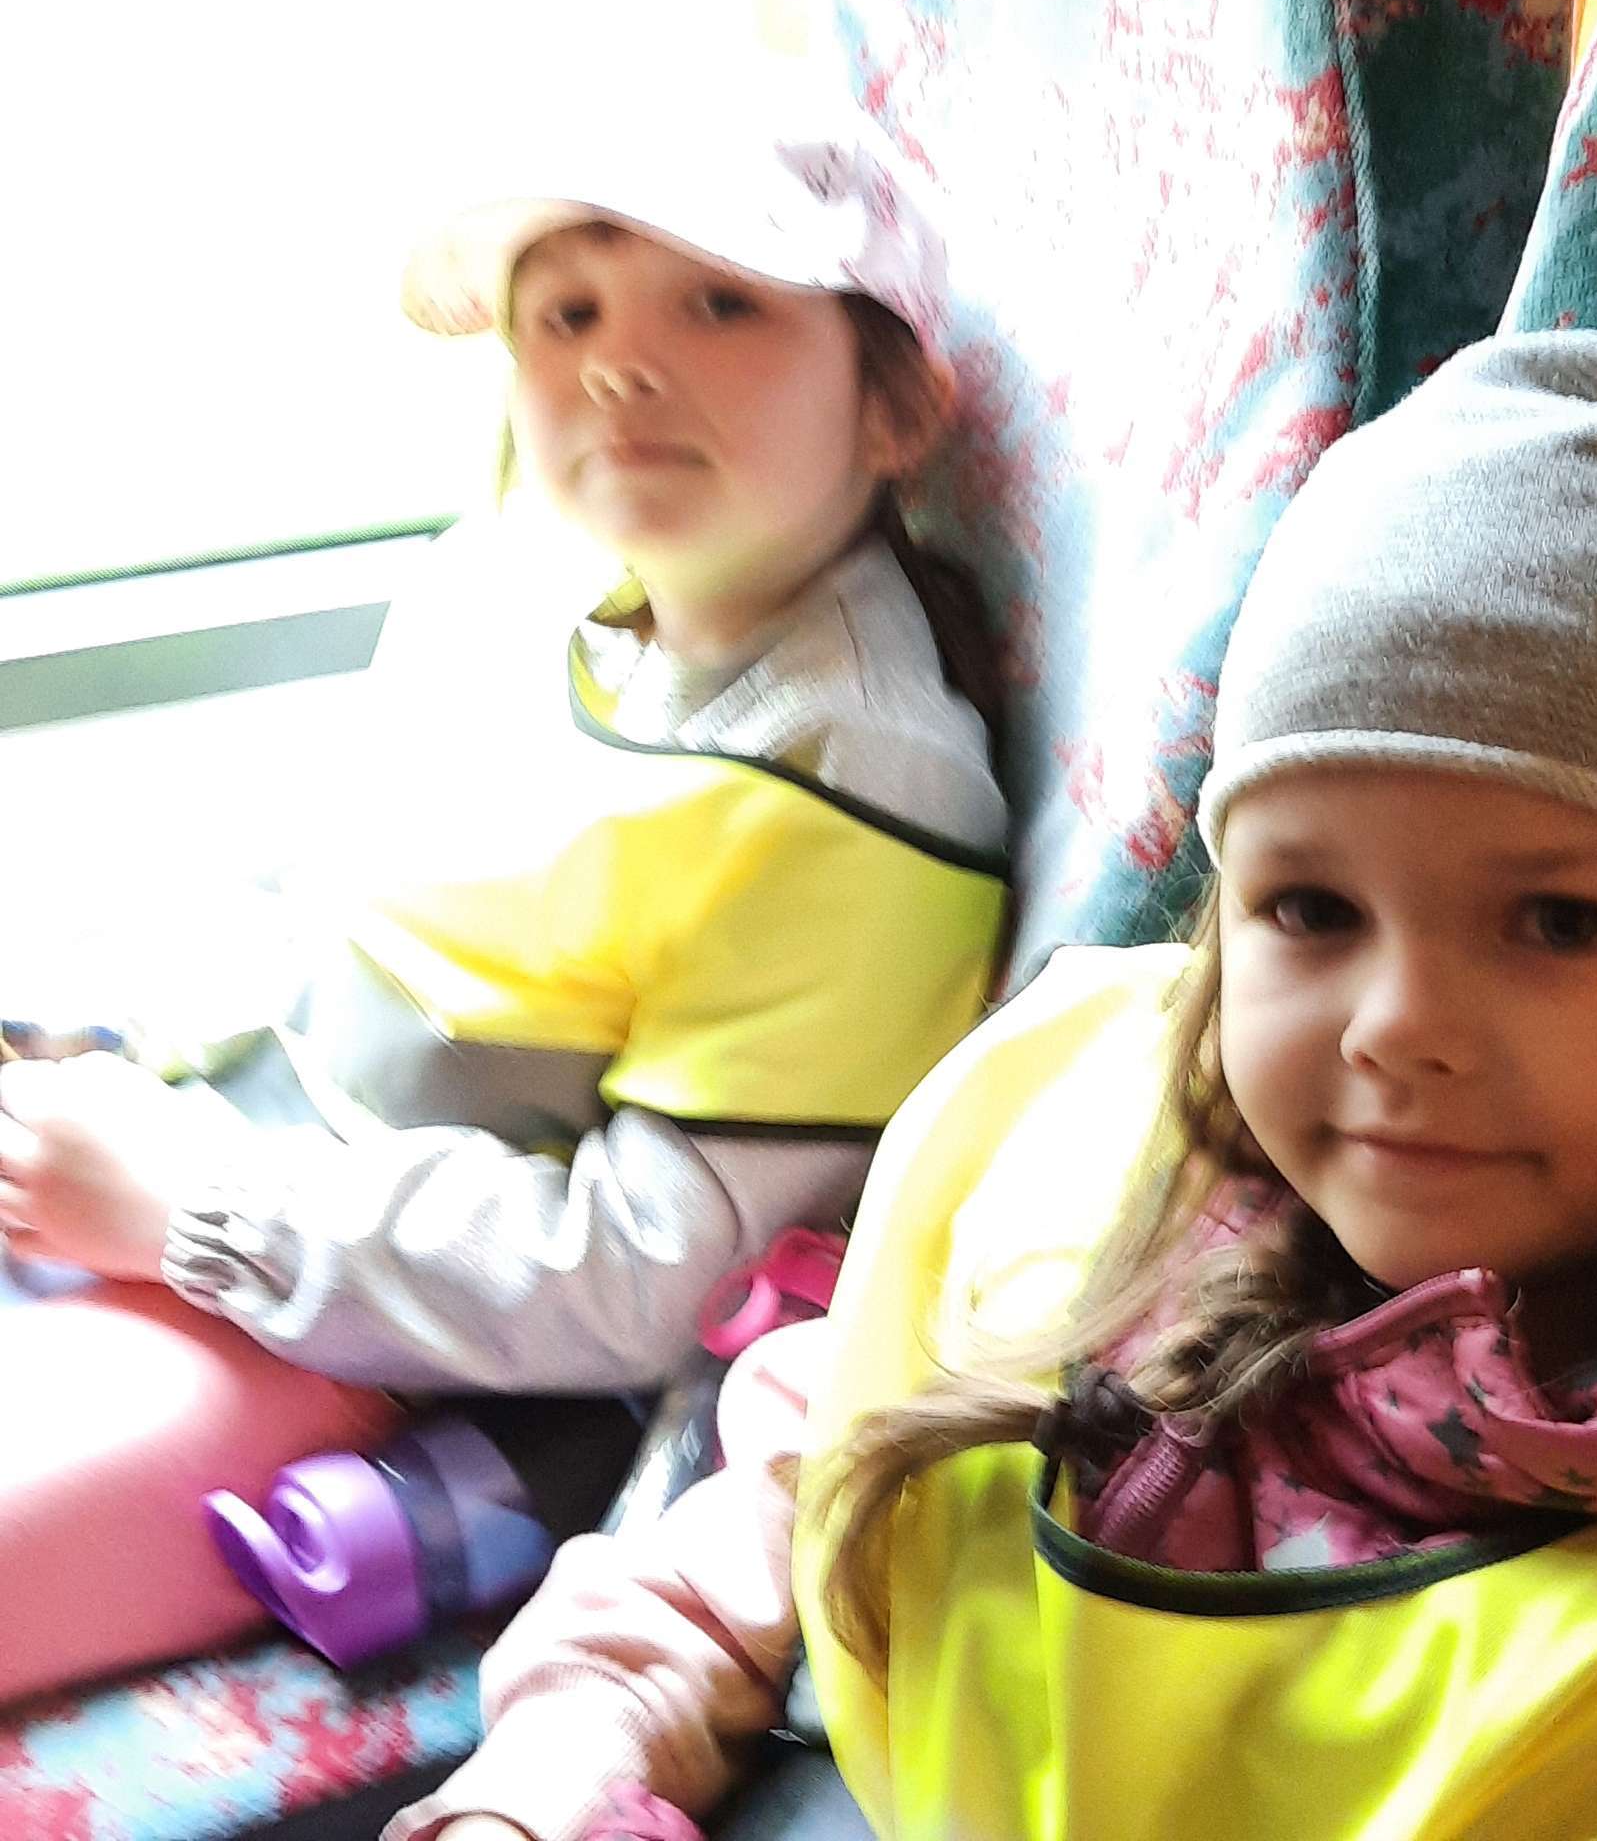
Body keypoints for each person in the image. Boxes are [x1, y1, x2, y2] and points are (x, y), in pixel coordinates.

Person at [395, 327, 1597, 1841]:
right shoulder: (1093, 1135)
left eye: (1563, 923)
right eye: (1309, 908)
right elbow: (804, 1472)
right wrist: (560, 1773)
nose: (1395, 1028)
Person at [0, 110, 1009, 1705]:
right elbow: (342, 895)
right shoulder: (530, 582)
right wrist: (107, 1031)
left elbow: (643, 1278)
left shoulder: (855, 788)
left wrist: (193, 1213)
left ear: (896, 405)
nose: (621, 365)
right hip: (245, 1153)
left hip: (409, 1341)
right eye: (569, 310)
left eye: (721, 302)